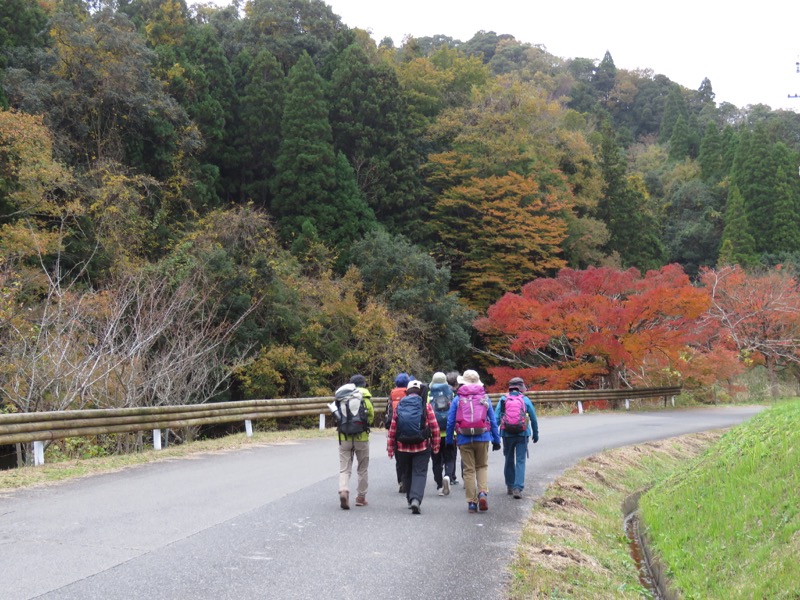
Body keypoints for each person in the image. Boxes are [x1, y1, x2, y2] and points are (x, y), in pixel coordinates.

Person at [445, 369, 501, 513]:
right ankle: (482, 492)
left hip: (463, 438)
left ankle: (471, 503)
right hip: (482, 437)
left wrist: (449, 440)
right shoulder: (484, 397)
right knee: (482, 466)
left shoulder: (457, 399)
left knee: (468, 470)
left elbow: (450, 421)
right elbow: (493, 420)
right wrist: (496, 439)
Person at [387, 380, 440, 514]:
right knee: (420, 472)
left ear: (407, 391)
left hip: (402, 446)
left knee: (407, 472)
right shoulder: (425, 406)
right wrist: (435, 445)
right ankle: (416, 499)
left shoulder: (399, 405)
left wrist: (390, 448)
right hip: (422, 446)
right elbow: (434, 426)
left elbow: (393, 428)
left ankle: (410, 499)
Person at [495, 376, 539, 499]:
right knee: (520, 460)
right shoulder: (525, 400)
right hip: (522, 434)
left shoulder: (503, 400)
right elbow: (534, 418)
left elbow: (496, 418)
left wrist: (494, 435)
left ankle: (509, 485)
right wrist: (535, 434)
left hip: (507, 434)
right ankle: (517, 488)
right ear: (521, 388)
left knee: (508, 459)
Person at [334, 378, 374, 510]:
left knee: (345, 468)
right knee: (362, 468)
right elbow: (371, 417)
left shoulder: (343, 397)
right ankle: (361, 497)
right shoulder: (365, 398)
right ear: (363, 385)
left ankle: (344, 489)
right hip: (361, 437)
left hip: (344, 437)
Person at [428, 371, 456, 496]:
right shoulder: (451, 393)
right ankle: (448, 477)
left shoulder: (429, 394)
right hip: (450, 432)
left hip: (434, 434)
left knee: (436, 460)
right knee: (450, 458)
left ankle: (440, 485)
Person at [386, 372, 410, 492]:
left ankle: (401, 480)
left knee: (399, 458)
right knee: (408, 455)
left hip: (395, 429)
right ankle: (408, 480)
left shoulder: (392, 394)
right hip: (408, 428)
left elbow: (388, 413)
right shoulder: (410, 393)